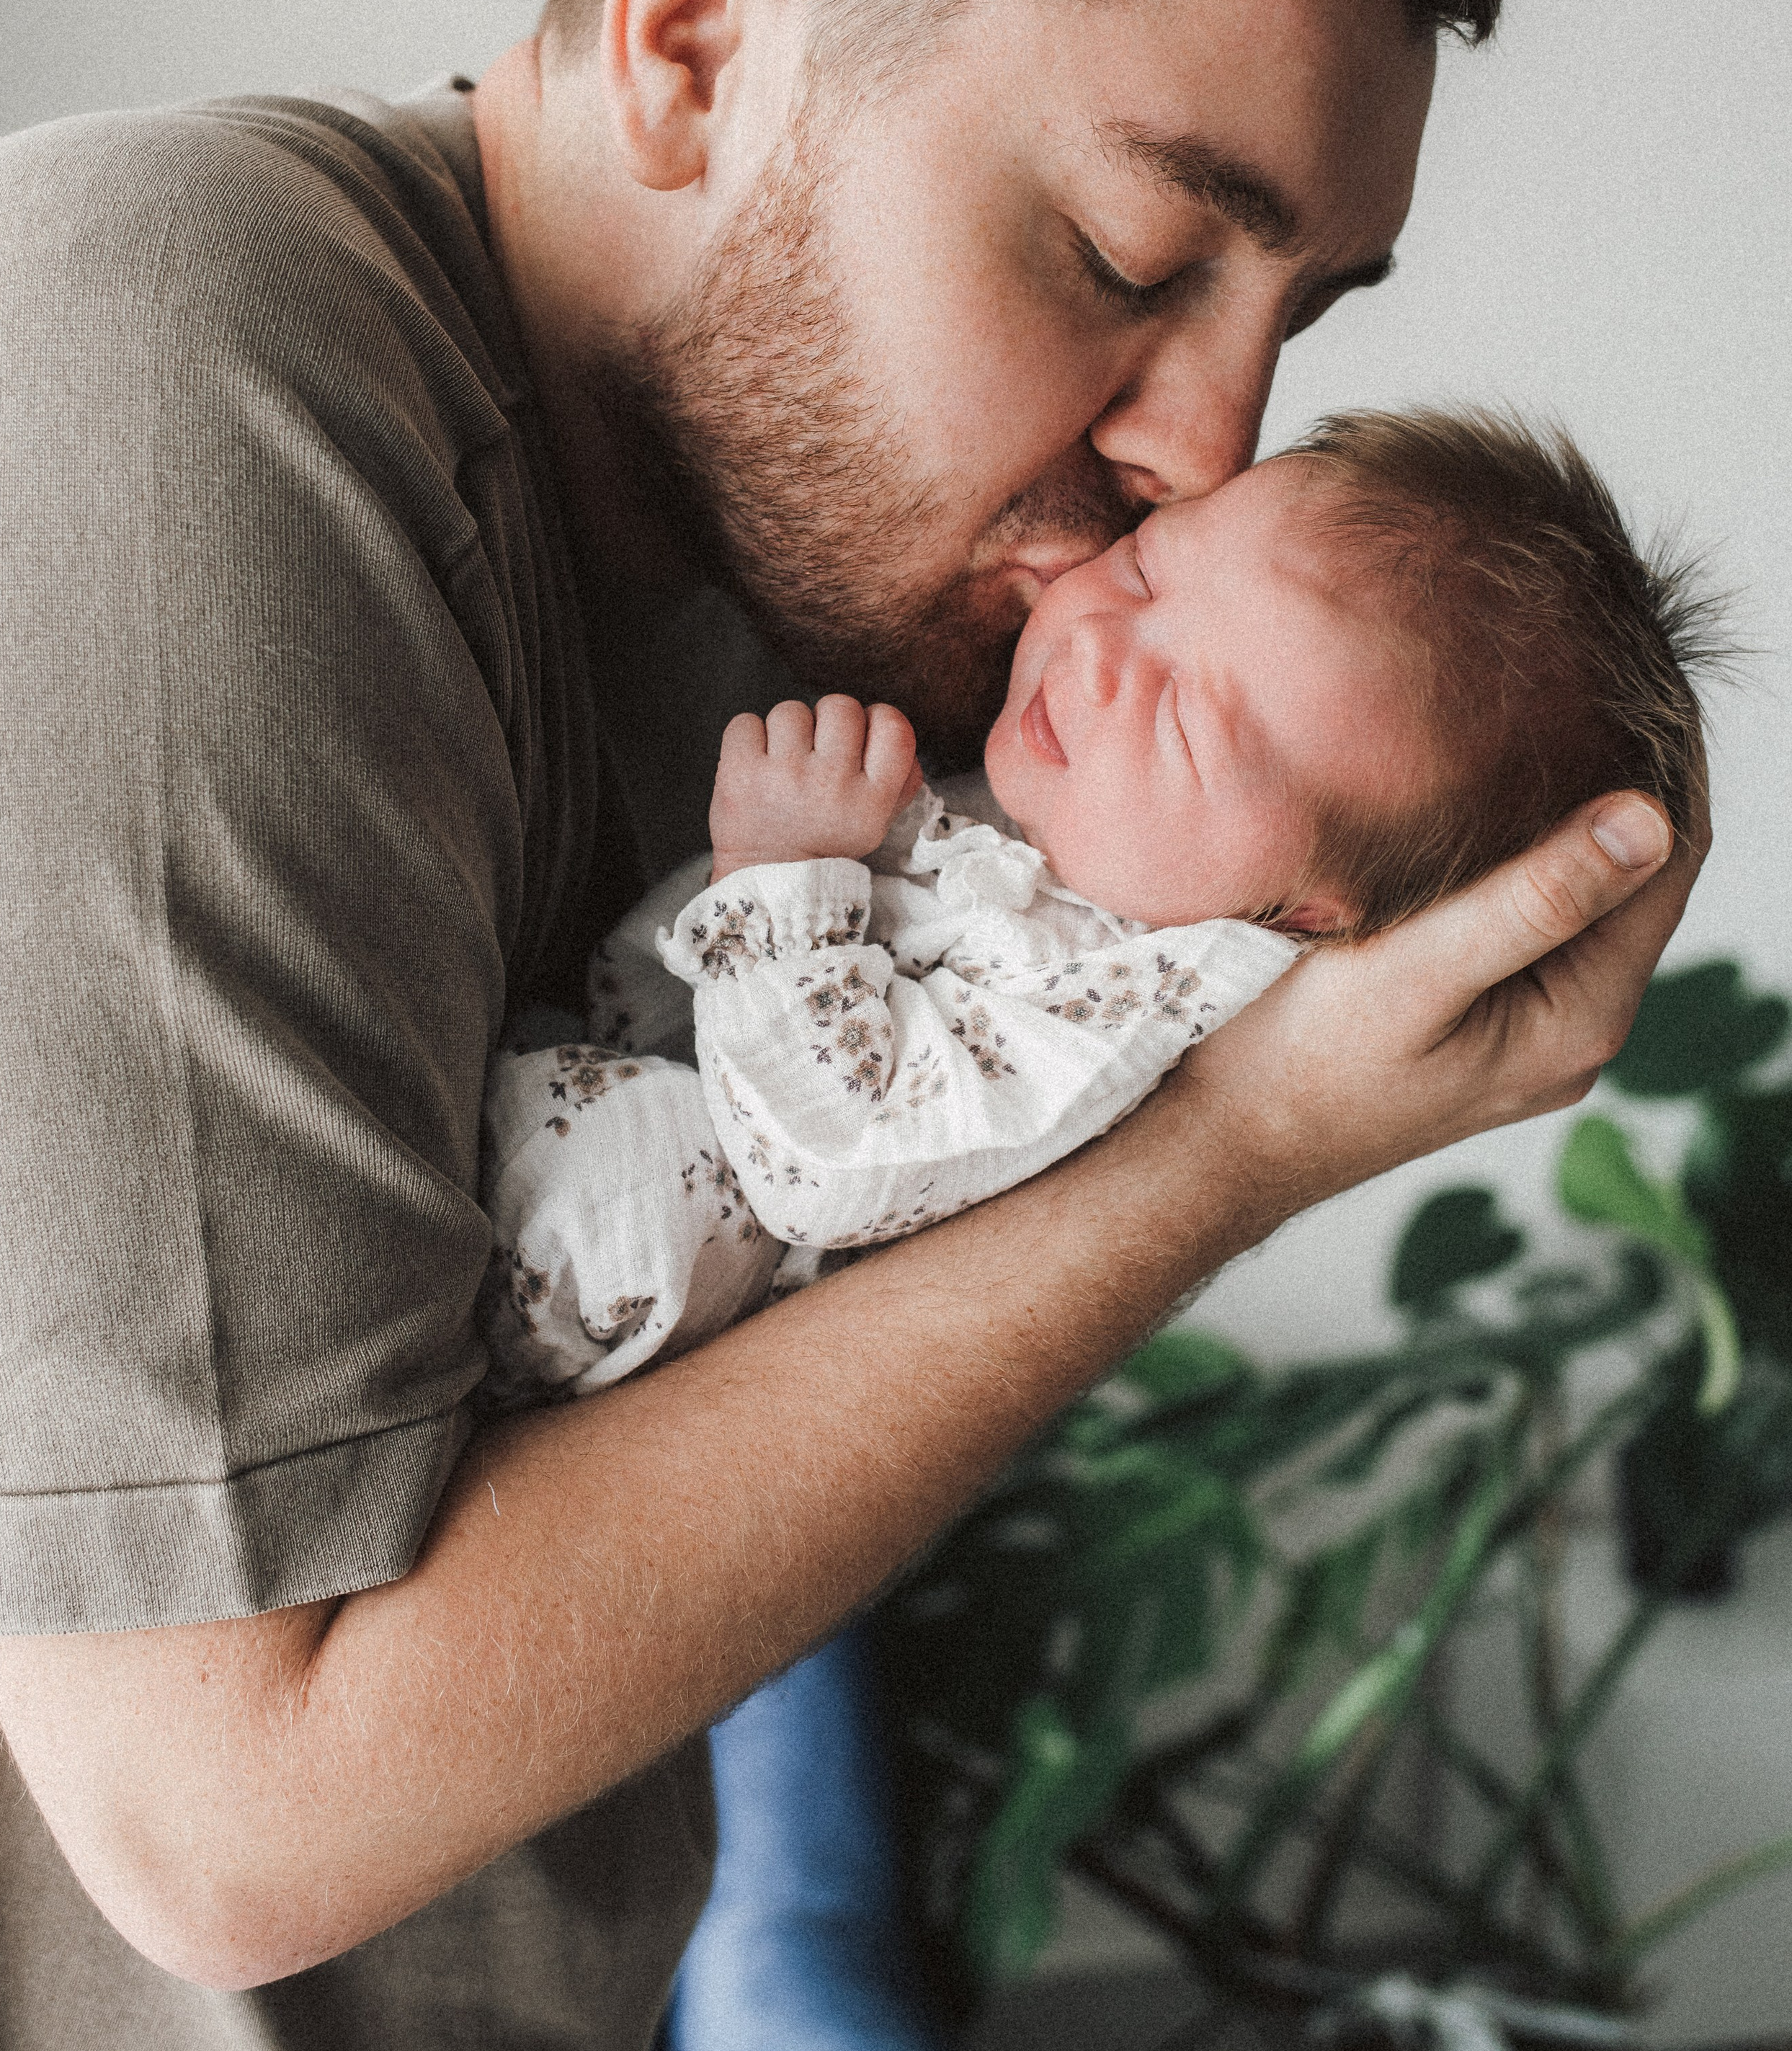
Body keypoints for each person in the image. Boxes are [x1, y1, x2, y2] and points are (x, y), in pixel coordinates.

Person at [0, 0, 1700, 2051]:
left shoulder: (809, 610)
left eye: (1295, 323)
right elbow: (231, 1816)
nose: (1212, 449)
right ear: (689, 38)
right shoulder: (171, 369)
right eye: (1135, 254)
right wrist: (1243, 1145)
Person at [481, 409, 1713, 1407]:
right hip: (583, 1052)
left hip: (610, 1258)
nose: (1103, 647)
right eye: (1145, 566)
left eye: (1184, 720)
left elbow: (829, 1158)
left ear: (1308, 916)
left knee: (615, 1171)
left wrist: (784, 876)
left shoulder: (1122, 998)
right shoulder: (1080, 827)